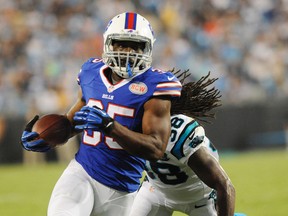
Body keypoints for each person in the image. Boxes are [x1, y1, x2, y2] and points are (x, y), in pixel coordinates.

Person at [20, 12, 182, 216]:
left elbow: (156, 148)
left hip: (124, 190)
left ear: (147, 48)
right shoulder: (91, 73)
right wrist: (45, 137)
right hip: (82, 174)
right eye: (121, 44)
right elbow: (72, 123)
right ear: (108, 44)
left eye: (135, 46)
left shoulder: (156, 86)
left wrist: (110, 127)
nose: (128, 52)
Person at [129, 72, 236, 216]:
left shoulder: (179, 132)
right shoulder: (128, 123)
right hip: (156, 192)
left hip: (199, 198)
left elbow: (224, 185)